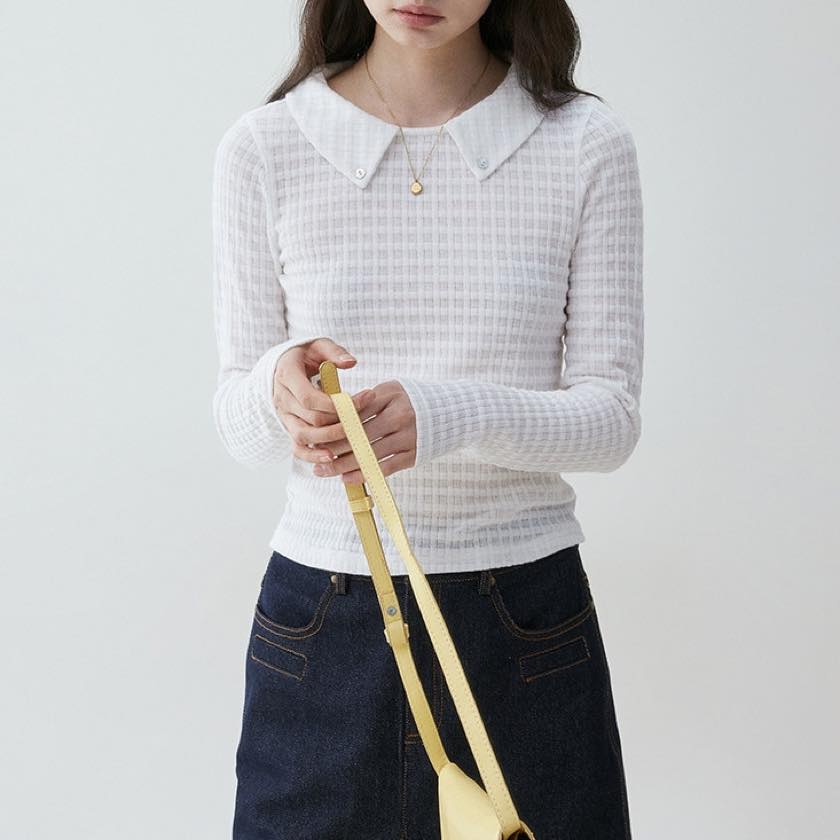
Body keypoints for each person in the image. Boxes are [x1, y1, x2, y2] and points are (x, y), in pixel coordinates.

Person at [211, 2, 643, 838]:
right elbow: (236, 418)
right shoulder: (265, 146)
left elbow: (611, 418)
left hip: (522, 620)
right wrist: (278, 390)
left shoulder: (585, 144)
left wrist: (451, 413)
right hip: (324, 617)